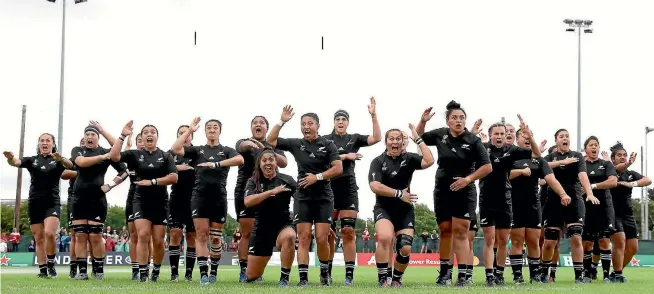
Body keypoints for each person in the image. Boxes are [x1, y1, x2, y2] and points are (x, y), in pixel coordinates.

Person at [415, 101, 492, 286]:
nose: (459, 121)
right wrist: (423, 121)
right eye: (454, 118)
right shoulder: (441, 134)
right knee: (445, 231)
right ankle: (444, 275)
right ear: (448, 121)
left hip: (465, 191)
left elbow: (487, 167)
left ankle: (463, 276)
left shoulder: (473, 140)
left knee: (461, 233)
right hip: (442, 189)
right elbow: (419, 136)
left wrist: (468, 179)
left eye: (462, 118)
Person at [266, 106, 343, 287]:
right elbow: (271, 140)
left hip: (324, 196)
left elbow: (338, 168)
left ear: (318, 126)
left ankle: (325, 273)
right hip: (303, 197)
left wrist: (317, 177)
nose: (306, 127)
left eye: (310, 123)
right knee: (304, 236)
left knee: (322, 238)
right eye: (303, 124)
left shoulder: (328, 144)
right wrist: (282, 121)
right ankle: (303, 279)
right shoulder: (296, 143)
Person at [171, 117, 244, 285]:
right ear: (205, 131)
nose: (212, 130)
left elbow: (240, 160)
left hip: (219, 198)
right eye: (209, 127)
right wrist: (189, 130)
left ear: (219, 131)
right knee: (201, 236)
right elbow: (175, 148)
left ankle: (214, 272)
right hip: (199, 197)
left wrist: (216, 164)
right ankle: (203, 274)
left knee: (216, 239)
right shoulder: (198, 150)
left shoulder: (226, 150)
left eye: (215, 127)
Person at [110, 121, 178, 282]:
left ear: (157, 136)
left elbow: (174, 177)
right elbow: (114, 156)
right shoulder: (134, 154)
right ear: (142, 137)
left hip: (160, 201)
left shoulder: (165, 156)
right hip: (140, 200)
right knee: (143, 235)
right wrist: (122, 136)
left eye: (152, 132)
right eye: (146, 132)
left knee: (158, 241)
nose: (149, 134)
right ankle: (143, 273)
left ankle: (156, 270)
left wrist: (152, 181)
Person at [323, 97, 382, 285]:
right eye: (338, 119)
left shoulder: (354, 138)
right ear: (334, 122)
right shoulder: (325, 140)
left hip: (348, 189)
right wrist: (345, 156)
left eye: (344, 119)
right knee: (328, 234)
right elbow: (322, 160)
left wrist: (373, 115)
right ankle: (327, 274)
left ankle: (349, 276)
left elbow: (377, 138)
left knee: (348, 231)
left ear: (347, 122)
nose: (341, 122)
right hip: (328, 190)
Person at [477, 116, 541, 286]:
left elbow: (536, 154)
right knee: (490, 239)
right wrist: (474, 133)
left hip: (505, 200)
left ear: (506, 136)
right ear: (490, 135)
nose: (499, 136)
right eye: (496, 133)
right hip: (486, 200)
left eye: (502, 134)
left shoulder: (511, 150)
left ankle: (499, 274)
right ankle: (489, 275)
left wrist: (529, 135)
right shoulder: (482, 148)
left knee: (504, 240)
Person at [369, 125, 435, 287]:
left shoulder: (409, 158)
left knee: (405, 249)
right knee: (385, 238)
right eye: (391, 139)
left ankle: (397, 278)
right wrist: (399, 194)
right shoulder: (377, 161)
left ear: (402, 142)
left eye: (398, 138)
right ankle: (383, 278)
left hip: (405, 211)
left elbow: (429, 160)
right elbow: (375, 186)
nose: (395, 141)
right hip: (383, 209)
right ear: (386, 142)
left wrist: (418, 139)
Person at [4, 133, 73, 278]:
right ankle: (42, 270)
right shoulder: (32, 160)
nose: (45, 143)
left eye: (48, 140)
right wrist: (10, 158)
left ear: (53, 144)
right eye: (42, 140)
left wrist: (61, 159)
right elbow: (16, 162)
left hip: (52, 202)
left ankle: (51, 263)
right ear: (39, 144)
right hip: (34, 202)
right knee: (39, 238)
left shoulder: (58, 160)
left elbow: (71, 165)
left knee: (49, 233)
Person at [70, 122, 128, 280]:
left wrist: (111, 185)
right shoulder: (78, 150)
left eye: (93, 134)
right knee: (80, 236)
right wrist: (103, 157)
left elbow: (124, 171)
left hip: (98, 199)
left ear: (98, 138)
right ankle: (82, 272)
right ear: (84, 137)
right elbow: (81, 162)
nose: (89, 137)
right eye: (87, 134)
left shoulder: (106, 151)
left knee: (95, 236)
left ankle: (99, 272)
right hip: (78, 198)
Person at [509, 128, 567, 283]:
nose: (527, 138)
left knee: (534, 241)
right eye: (523, 136)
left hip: (533, 205)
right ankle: (517, 276)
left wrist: (563, 194)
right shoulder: (511, 156)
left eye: (530, 136)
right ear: (516, 139)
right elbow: (503, 175)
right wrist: (520, 172)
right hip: (514, 204)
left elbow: (551, 179)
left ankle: (535, 275)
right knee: (517, 241)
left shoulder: (539, 160)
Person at [541, 129, 598, 284]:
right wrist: (561, 162)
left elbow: (583, 176)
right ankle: (544, 274)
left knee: (576, 237)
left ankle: (579, 275)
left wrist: (590, 193)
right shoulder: (550, 157)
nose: (565, 139)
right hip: (553, 201)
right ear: (556, 140)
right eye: (561, 136)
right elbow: (542, 166)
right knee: (550, 243)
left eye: (567, 136)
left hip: (574, 199)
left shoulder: (577, 156)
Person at [234, 115, 287, 282]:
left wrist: (267, 150)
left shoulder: (273, 145)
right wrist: (249, 144)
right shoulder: (244, 141)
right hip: (246, 191)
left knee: (263, 232)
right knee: (247, 232)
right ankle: (244, 270)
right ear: (251, 128)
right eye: (255, 123)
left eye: (262, 123)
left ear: (266, 128)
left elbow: (284, 162)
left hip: (269, 192)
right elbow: (241, 146)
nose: (258, 125)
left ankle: (257, 270)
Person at [243, 148, 298, 287]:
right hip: (261, 228)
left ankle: (284, 278)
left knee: (290, 236)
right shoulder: (253, 181)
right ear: (259, 164)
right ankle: (261, 260)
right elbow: (248, 201)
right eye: (264, 160)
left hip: (283, 224)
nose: (268, 163)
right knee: (251, 276)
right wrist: (271, 192)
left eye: (271, 160)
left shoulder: (287, 180)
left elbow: (302, 199)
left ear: (276, 163)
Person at [609, 142, 651, 282]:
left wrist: (631, 184)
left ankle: (615, 273)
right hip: (613, 213)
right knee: (620, 242)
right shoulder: (610, 172)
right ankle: (618, 274)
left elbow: (648, 180)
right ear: (613, 159)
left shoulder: (631, 174)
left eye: (624, 155)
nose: (622, 157)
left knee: (633, 248)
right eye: (619, 155)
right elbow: (614, 174)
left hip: (628, 214)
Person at [580, 136, 618, 282]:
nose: (594, 147)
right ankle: (588, 274)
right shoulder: (581, 165)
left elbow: (613, 181)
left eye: (596, 145)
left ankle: (607, 275)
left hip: (604, 206)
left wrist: (593, 186)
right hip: (586, 207)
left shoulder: (606, 164)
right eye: (591, 145)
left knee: (604, 241)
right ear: (586, 149)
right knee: (587, 243)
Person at [167, 125, 198, 282]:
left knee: (192, 237)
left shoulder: (198, 152)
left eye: (188, 133)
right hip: (176, 199)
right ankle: (174, 273)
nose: (185, 136)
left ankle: (189, 274)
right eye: (181, 133)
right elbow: (163, 171)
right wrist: (181, 167)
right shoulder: (171, 154)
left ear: (192, 135)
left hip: (194, 200)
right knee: (175, 234)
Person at [60, 138, 85, 278]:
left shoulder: (96, 158)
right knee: (75, 235)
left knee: (93, 235)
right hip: (74, 198)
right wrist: (84, 174)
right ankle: (73, 268)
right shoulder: (72, 160)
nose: (84, 144)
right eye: (81, 142)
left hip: (93, 198)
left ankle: (95, 267)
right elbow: (63, 173)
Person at [123, 132, 144, 280]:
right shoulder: (132, 157)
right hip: (132, 196)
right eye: (139, 140)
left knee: (146, 236)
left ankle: (145, 268)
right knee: (134, 235)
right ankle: (135, 269)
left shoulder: (157, 157)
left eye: (143, 140)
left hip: (150, 197)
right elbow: (121, 156)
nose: (142, 142)